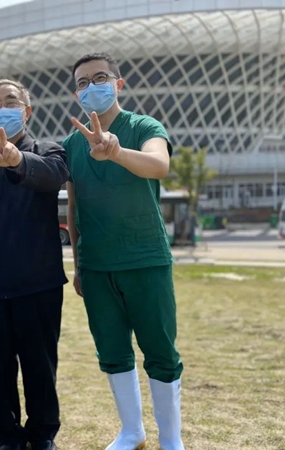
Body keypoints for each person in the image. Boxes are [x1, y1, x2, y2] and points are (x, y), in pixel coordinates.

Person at [62, 53, 185, 450]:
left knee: (160, 350)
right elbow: (73, 208)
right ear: (77, 94)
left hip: (145, 257)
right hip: (98, 266)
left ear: (119, 84)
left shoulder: (144, 127)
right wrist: (79, 265)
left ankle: (171, 438)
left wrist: (115, 151)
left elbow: (159, 165)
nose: (91, 87)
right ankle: (132, 431)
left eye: (100, 78)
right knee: (112, 351)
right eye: (82, 83)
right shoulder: (71, 144)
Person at [0, 79, 69, 450]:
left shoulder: (49, 151)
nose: (2, 107)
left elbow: (53, 176)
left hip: (39, 283)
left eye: (11, 101)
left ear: (27, 111)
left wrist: (18, 160)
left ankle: (43, 434)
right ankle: (7, 437)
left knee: (41, 365)